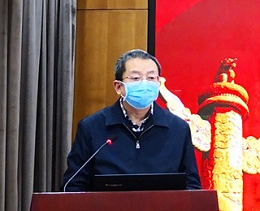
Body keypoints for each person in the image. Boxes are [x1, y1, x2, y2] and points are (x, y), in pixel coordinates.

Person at [62, 48, 202, 192]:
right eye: (135, 78)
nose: (144, 84)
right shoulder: (92, 127)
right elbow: (73, 186)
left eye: (151, 78)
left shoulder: (178, 129)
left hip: (163, 207)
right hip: (108, 207)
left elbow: (192, 187)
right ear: (118, 87)